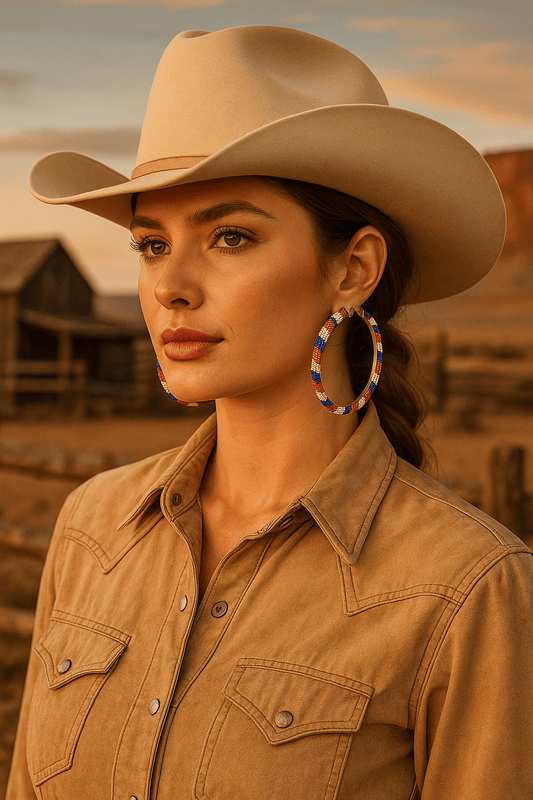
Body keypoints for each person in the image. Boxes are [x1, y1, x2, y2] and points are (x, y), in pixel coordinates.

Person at [7, 25, 533, 800]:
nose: (170, 287)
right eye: (151, 245)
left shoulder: (467, 587)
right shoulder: (92, 526)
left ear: (352, 269)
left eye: (229, 237)